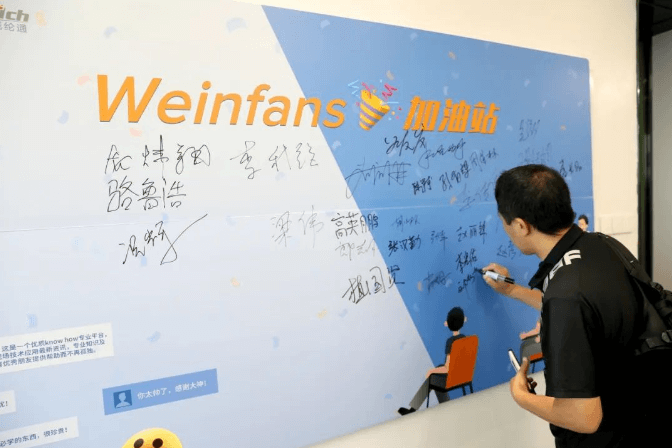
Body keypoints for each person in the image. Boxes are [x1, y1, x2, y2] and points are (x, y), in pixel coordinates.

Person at [482, 164, 649, 447]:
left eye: (504, 223)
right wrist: (512, 290)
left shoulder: (565, 296)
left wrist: (521, 397)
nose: (506, 230)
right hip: (641, 417)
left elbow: (584, 417)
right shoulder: (601, 245)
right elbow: (585, 309)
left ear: (521, 226)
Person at [397, 307, 467, 415]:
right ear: (463, 320)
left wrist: (431, 371)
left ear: (447, 324)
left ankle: (413, 409)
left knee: (432, 378)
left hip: (453, 379)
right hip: (464, 376)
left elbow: (447, 368)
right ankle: (445, 404)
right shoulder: (466, 339)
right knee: (438, 369)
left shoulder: (451, 342)